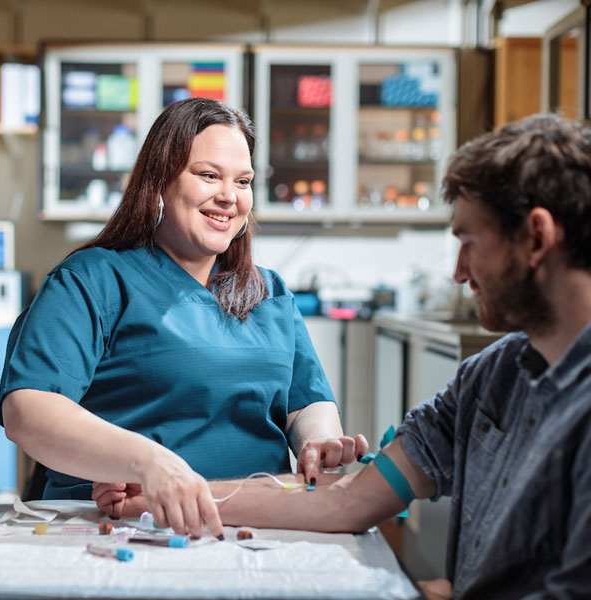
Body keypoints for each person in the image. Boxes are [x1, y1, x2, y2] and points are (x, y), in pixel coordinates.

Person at [92, 113, 591, 599]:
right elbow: (351, 500)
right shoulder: (489, 379)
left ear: (537, 238)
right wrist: (160, 497)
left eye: (468, 241)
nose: (459, 272)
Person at [0, 97, 368, 539]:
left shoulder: (270, 293)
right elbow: (29, 410)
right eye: (209, 175)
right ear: (159, 182)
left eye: (243, 181)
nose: (229, 196)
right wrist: (149, 462)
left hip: (257, 528)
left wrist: (316, 442)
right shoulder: (93, 280)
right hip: (119, 529)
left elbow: (305, 402)